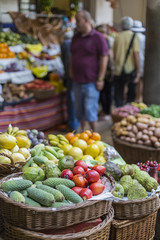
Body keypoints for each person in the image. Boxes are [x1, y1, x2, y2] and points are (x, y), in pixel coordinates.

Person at [70, 10, 108, 132]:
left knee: (90, 110)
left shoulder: (98, 38)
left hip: (91, 81)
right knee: (79, 109)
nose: (76, 23)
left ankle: (94, 134)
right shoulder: (75, 38)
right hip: (77, 80)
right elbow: (72, 55)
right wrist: (71, 69)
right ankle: (83, 132)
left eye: (78, 20)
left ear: (86, 20)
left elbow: (104, 58)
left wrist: (101, 78)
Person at [113, 16, 141, 107]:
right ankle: (129, 112)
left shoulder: (117, 37)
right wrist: (139, 71)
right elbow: (136, 54)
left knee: (118, 94)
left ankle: (119, 112)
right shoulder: (133, 36)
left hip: (118, 70)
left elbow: (114, 54)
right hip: (130, 69)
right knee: (131, 94)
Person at [61, 30, 80, 131]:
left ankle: (73, 125)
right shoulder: (78, 43)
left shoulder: (65, 44)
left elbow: (65, 61)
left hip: (71, 75)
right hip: (79, 76)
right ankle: (77, 124)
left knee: (71, 100)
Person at [96, 24, 114, 120]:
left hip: (107, 72)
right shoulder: (100, 41)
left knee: (107, 92)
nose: (101, 34)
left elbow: (110, 57)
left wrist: (110, 70)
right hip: (101, 71)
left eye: (103, 32)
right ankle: (105, 110)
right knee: (103, 92)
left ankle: (107, 111)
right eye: (100, 32)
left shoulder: (106, 41)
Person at [132, 20, 146, 102]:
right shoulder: (143, 38)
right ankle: (138, 97)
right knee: (140, 80)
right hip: (141, 60)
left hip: (131, 62)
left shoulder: (132, 37)